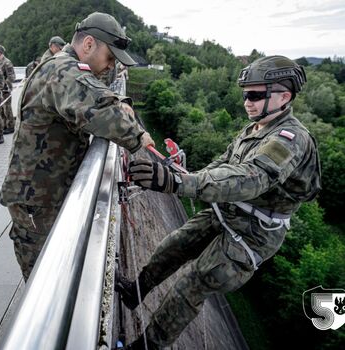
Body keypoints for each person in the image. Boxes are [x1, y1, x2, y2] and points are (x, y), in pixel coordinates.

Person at [119, 55, 322, 349]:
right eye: (245, 95)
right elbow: (224, 162)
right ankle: (134, 292)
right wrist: (181, 175)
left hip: (253, 233)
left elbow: (251, 177)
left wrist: (176, 183)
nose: (247, 102)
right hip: (227, 212)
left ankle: (147, 346)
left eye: (255, 95)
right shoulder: (255, 129)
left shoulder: (291, 139)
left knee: (191, 285)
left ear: (284, 97)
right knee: (174, 245)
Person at [0, 12, 155, 282]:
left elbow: (96, 95)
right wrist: (140, 136)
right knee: (44, 283)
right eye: (110, 57)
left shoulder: (64, 66)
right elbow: (102, 113)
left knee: (56, 268)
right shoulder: (64, 71)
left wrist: (119, 101)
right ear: (89, 44)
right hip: (36, 201)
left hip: (45, 193)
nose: (110, 67)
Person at [0, 44, 16, 135]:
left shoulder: (7, 62)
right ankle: (4, 125)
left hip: (5, 90)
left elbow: (12, 77)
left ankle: (11, 126)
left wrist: (4, 84)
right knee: (1, 109)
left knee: (7, 108)